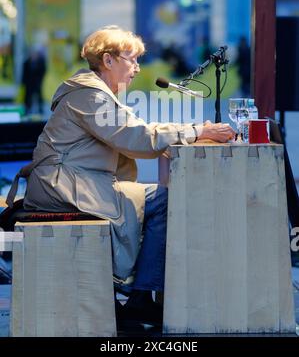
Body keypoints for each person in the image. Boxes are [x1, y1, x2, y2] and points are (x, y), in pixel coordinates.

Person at [7, 26, 235, 328]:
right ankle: (139, 295)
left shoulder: (95, 93)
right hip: (63, 187)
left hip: (73, 181)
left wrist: (181, 134)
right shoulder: (90, 96)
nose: (137, 68)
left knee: (149, 199)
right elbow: (136, 137)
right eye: (132, 59)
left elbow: (136, 130)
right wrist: (197, 131)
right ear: (108, 60)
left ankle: (132, 289)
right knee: (163, 200)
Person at [22, 45, 47, 114]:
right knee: (28, 96)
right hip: (29, 83)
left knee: (39, 95)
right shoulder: (26, 62)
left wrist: (40, 80)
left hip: (37, 82)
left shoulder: (41, 62)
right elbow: (24, 73)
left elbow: (43, 71)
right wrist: (24, 82)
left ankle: (40, 109)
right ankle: (27, 108)